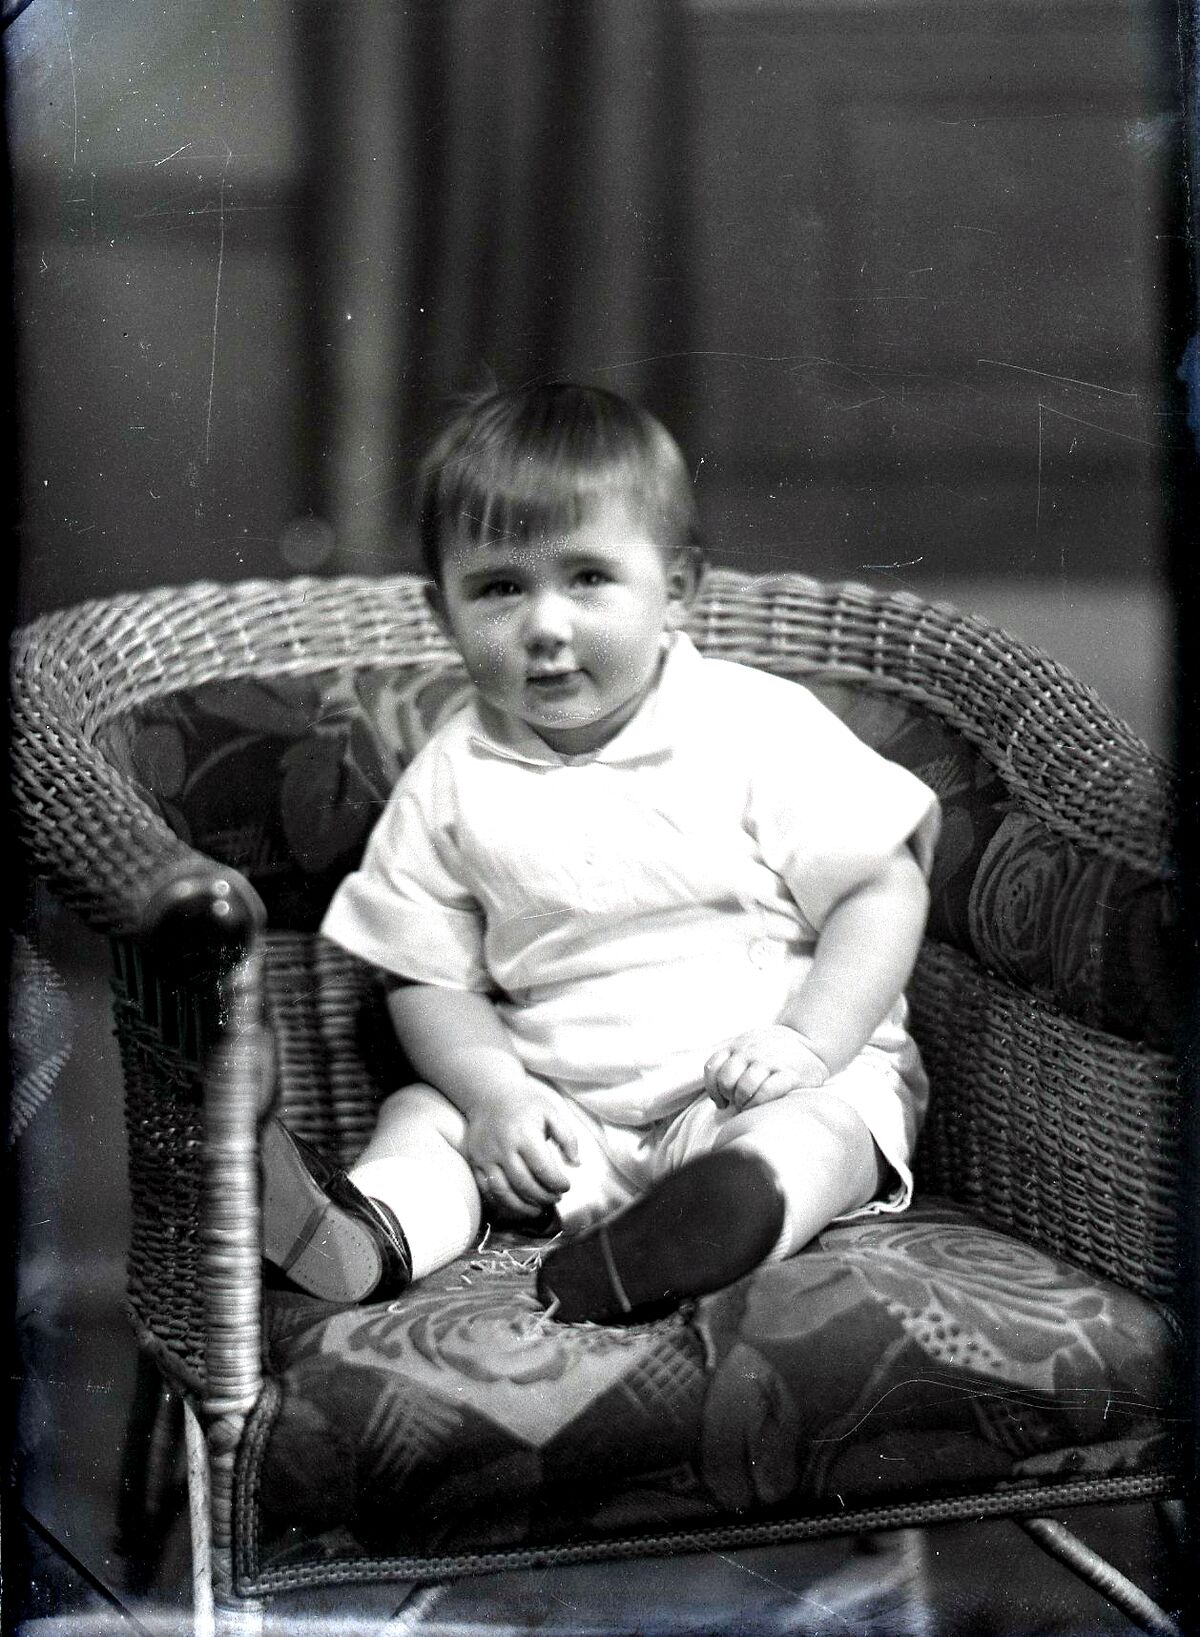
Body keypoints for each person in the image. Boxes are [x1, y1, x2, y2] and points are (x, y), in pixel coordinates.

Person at [262, 381, 940, 1325]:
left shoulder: (752, 725)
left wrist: (806, 1043)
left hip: (753, 1085)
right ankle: (376, 1231)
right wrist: (495, 1096)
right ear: (442, 612)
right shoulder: (450, 778)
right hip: (565, 1120)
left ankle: (726, 1216)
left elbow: (881, 887)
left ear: (677, 589)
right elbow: (425, 975)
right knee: (425, 1114)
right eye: (499, 588)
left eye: (587, 578)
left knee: (823, 1130)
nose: (546, 626)